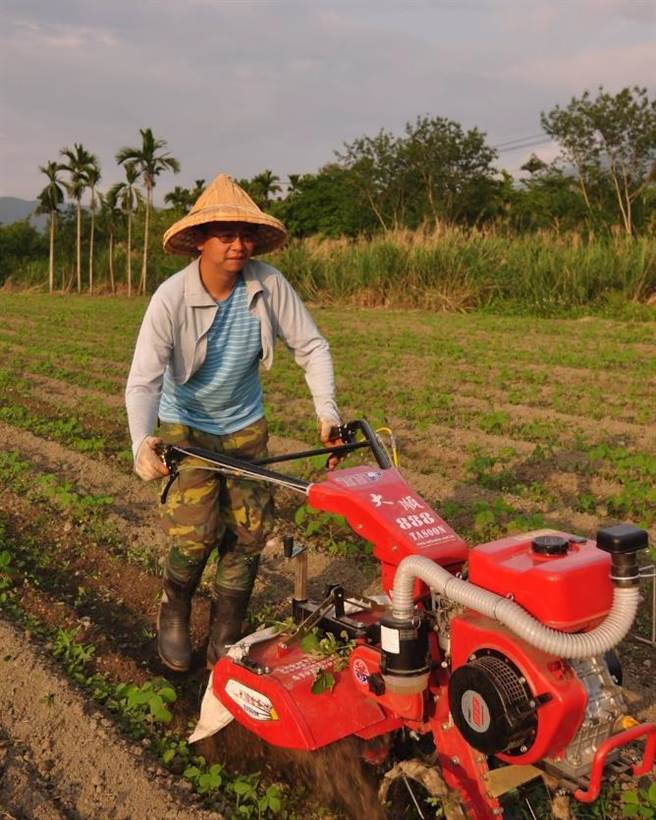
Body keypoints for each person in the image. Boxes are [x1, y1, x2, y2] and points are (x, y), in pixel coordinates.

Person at [125, 174, 341, 672]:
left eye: (245, 235)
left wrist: (326, 411)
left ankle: (227, 632)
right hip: (185, 428)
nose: (238, 245)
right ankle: (174, 610)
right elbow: (143, 382)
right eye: (225, 235)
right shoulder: (171, 299)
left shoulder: (268, 285)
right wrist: (141, 441)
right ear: (200, 241)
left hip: (245, 426)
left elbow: (312, 347)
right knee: (195, 533)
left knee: (248, 533)